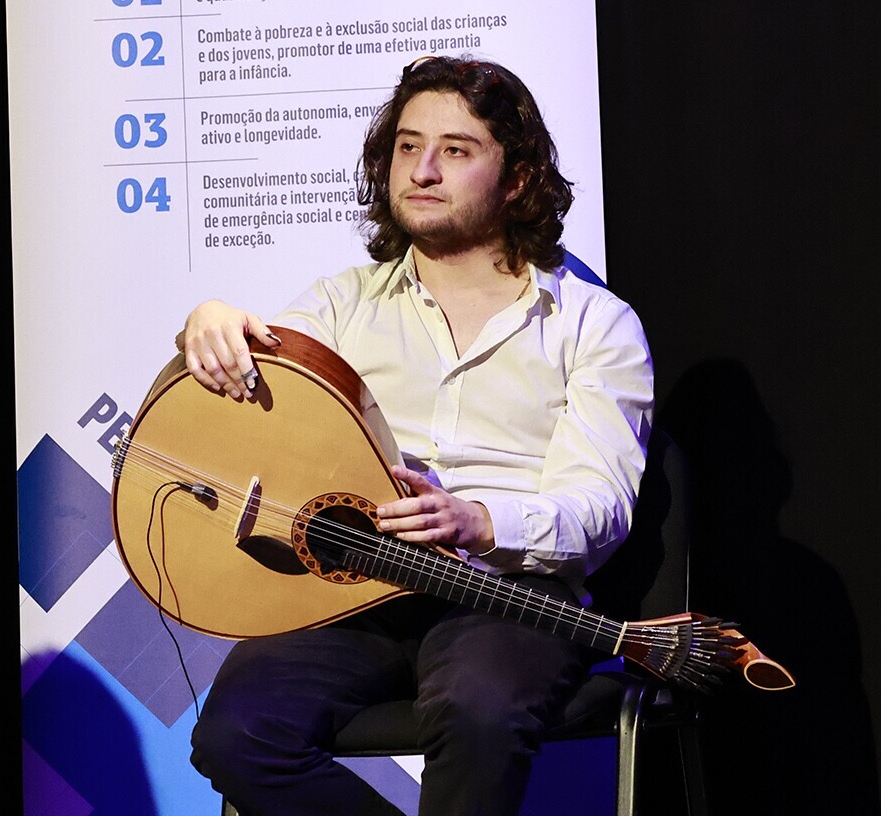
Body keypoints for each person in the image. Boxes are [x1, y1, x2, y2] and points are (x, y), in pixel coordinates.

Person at [172, 56, 651, 816]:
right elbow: (254, 387)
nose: (422, 171)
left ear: (519, 179)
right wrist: (208, 324)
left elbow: (600, 508)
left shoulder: (595, 325)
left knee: (477, 711)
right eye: (407, 146)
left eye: (455, 150)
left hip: (505, 593)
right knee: (238, 732)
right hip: (357, 590)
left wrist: (479, 521)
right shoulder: (338, 306)